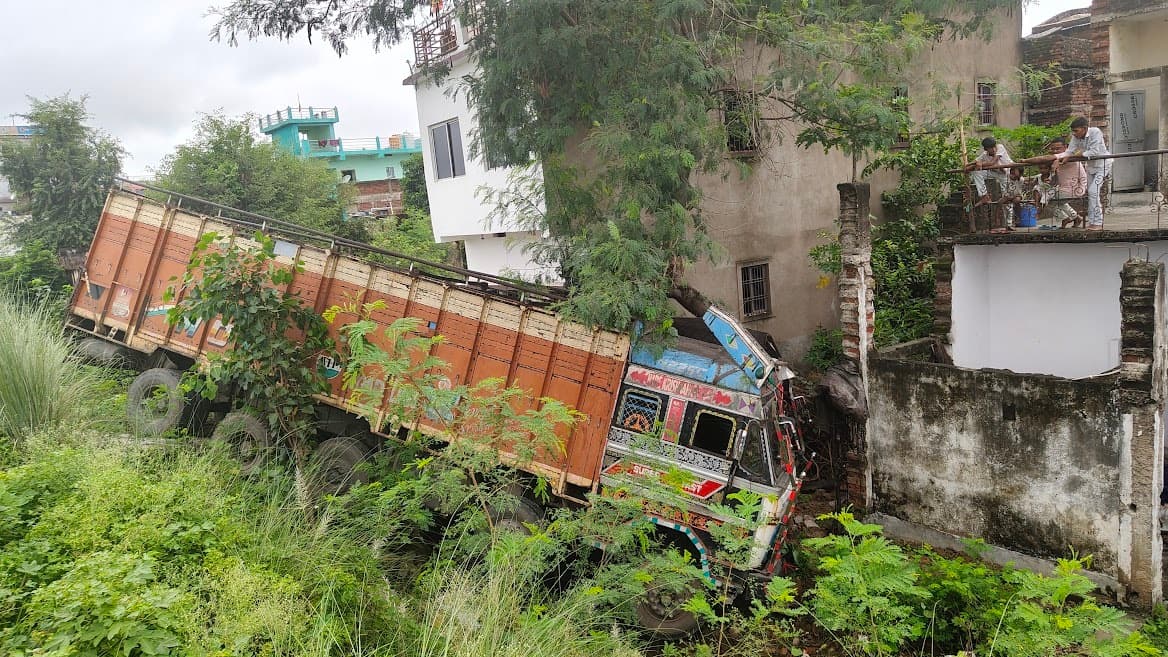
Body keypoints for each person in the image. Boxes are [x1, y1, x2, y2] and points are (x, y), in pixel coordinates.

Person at [1056, 117, 1110, 231]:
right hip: (1090, 167)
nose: (1074, 134)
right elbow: (1069, 151)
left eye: (1076, 131)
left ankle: (1098, 223)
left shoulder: (1095, 132)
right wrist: (1058, 158)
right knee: (1090, 194)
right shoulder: (1076, 137)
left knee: (1093, 191)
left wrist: (1077, 154)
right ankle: (1092, 222)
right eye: (1073, 131)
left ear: (1084, 128)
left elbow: (1094, 152)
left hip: (1103, 165)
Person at [1044, 136, 1087, 229]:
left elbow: (1065, 159)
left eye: (1058, 148)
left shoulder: (1069, 156)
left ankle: (1065, 218)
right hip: (1067, 188)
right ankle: (1076, 218)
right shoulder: (1058, 158)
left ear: (1066, 147)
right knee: (1059, 202)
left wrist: (1056, 160)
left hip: (1075, 188)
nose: (1055, 151)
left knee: (1047, 202)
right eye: (1053, 149)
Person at [965, 137, 1014, 207]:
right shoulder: (984, 154)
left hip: (1007, 174)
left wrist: (979, 164)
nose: (993, 149)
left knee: (1006, 198)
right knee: (976, 172)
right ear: (986, 149)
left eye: (994, 147)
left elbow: (992, 162)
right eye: (990, 148)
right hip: (995, 172)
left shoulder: (1000, 147)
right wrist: (968, 166)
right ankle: (984, 196)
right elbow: (976, 161)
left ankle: (1009, 218)